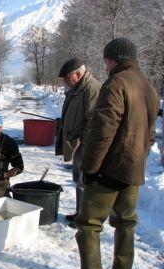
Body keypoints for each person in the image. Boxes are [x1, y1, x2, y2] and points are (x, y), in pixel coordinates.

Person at [56, 38, 160, 269]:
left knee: (88, 225)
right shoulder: (149, 86)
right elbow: (149, 135)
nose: (104, 66)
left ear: (115, 58)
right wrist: (139, 160)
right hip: (132, 170)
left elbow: (102, 133)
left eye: (105, 60)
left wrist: (90, 168)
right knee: (125, 223)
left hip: (109, 171)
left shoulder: (116, 84)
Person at [55, 58, 101, 227]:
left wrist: (85, 144)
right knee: (78, 180)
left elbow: (93, 122)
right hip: (77, 143)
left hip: (86, 145)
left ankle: (85, 219)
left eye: (68, 78)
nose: (66, 82)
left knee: (85, 182)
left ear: (79, 74)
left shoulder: (91, 88)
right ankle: (79, 213)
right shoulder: (77, 88)